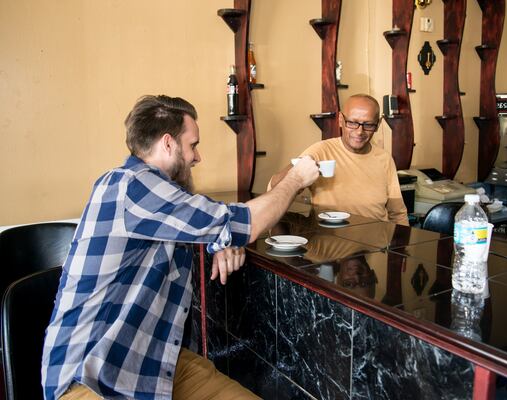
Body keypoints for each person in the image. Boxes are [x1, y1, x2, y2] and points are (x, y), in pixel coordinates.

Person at [41, 95, 319, 400]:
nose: (197, 157)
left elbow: (204, 217)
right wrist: (295, 179)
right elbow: (246, 223)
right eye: (193, 145)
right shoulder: (131, 185)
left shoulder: (153, 192)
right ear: (168, 144)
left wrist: (223, 239)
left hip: (153, 360)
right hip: (92, 377)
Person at [269, 94, 409, 225]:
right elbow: (274, 187)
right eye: (352, 123)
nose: (359, 132)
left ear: (377, 125)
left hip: (376, 245)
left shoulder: (384, 159)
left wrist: (403, 249)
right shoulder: (321, 151)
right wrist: (296, 174)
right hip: (330, 242)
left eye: (368, 125)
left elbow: (397, 213)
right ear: (341, 120)